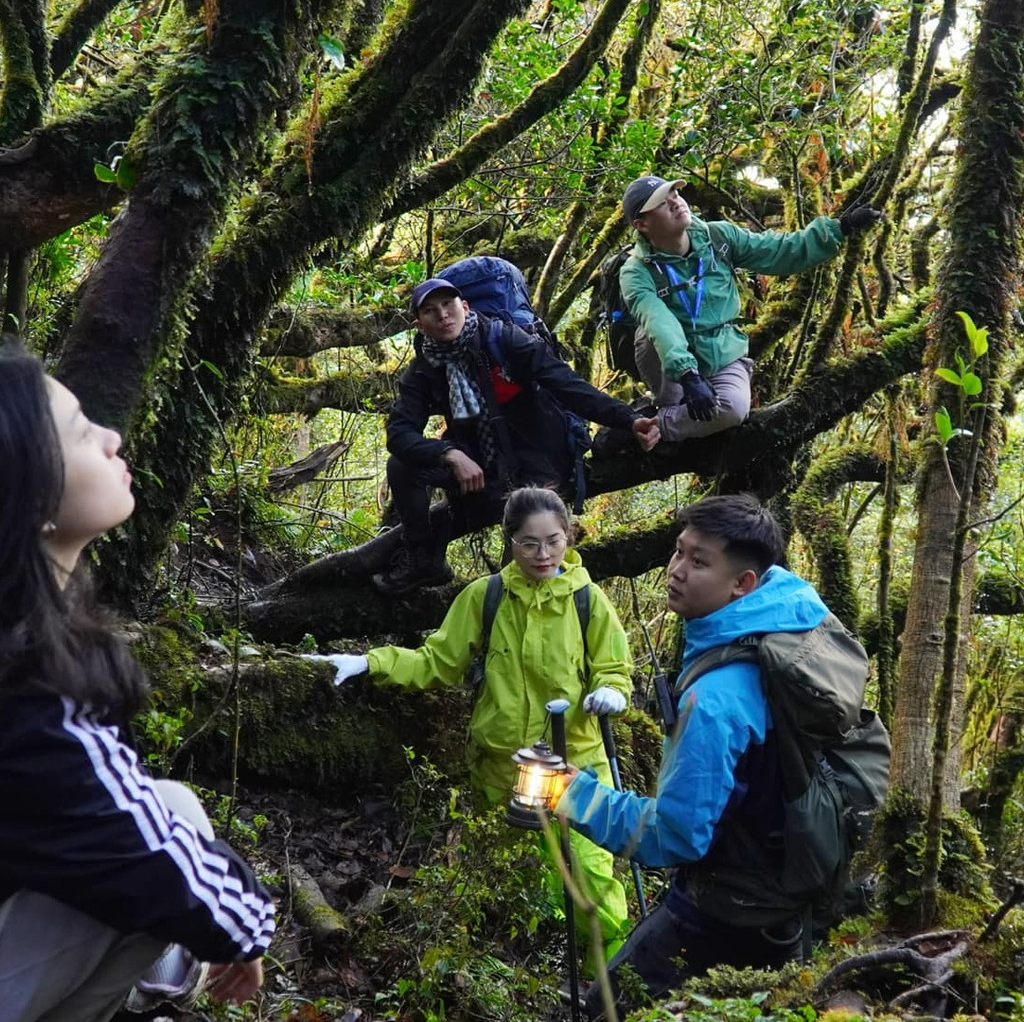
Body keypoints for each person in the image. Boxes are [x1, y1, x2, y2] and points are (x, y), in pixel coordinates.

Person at [0, 344, 274, 1022]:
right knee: (173, 835)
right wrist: (246, 923)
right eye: (79, 431)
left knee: (166, 816)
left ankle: (150, 988)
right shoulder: (7, 691)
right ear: (23, 496)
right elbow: (147, 860)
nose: (113, 437)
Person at [311, 486, 636, 950]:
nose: (543, 554)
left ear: (569, 537)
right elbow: (437, 661)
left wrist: (611, 691)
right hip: (501, 771)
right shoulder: (487, 596)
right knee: (517, 887)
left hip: (577, 768)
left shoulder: (588, 601)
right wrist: (371, 662)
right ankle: (529, 979)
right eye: (529, 543)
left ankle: (611, 983)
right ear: (510, 541)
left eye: (554, 540)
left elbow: (613, 666)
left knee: (590, 880)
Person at [554, 494, 832, 1013]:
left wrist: (571, 794)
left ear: (743, 583)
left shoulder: (717, 700)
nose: (676, 570)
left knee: (602, 1010)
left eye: (699, 561)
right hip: (786, 897)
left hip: (727, 908)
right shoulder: (788, 625)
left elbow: (674, 835)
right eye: (679, 551)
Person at [375, 277, 660, 594]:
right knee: (402, 466)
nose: (442, 314)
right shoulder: (424, 369)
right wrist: (448, 454)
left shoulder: (506, 341)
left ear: (465, 307)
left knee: (525, 574)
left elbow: (569, 387)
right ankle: (422, 559)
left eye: (448, 304)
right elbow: (399, 433)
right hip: (479, 469)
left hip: (537, 465)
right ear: (420, 325)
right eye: (430, 310)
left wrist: (629, 420)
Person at [617, 175, 882, 443]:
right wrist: (687, 374)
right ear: (642, 224)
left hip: (721, 351)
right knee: (650, 335)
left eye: (674, 194)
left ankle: (655, 427)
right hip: (669, 361)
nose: (675, 203)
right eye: (662, 203)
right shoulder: (636, 272)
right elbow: (659, 321)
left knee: (734, 409)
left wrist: (840, 227)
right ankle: (666, 408)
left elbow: (779, 251)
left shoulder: (718, 236)